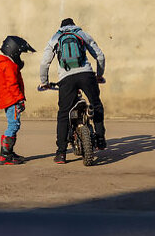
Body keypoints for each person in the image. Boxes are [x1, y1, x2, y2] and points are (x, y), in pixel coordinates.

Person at [39, 17, 106, 164]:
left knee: (63, 114)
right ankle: (100, 139)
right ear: (74, 25)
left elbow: (44, 63)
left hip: (66, 79)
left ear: (60, 27)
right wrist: (99, 75)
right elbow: (100, 56)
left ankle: (61, 153)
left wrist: (44, 83)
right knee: (96, 104)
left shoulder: (55, 38)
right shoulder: (82, 34)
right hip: (86, 75)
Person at [0, 35, 35, 165]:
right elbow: (12, 85)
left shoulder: (2, 63)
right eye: (19, 52)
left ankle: (8, 153)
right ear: (13, 50)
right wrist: (20, 100)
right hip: (12, 100)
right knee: (13, 125)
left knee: (13, 124)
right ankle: (5, 155)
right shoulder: (8, 65)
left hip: (7, 99)